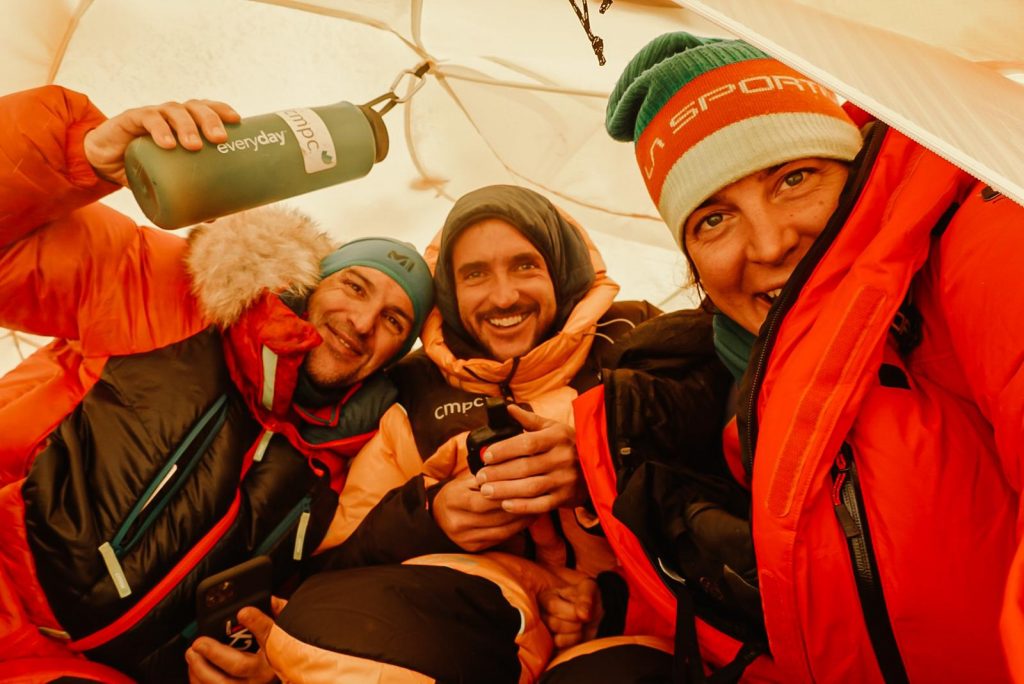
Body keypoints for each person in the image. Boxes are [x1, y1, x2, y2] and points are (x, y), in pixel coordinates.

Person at [594, 31, 1024, 682]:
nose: (769, 243)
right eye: (713, 219)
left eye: (793, 179)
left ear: (856, 169)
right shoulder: (753, 402)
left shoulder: (980, 245)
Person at [186, 184, 733, 682]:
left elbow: (732, 470)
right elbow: (334, 567)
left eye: (525, 265)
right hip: (488, 635)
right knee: (330, 620)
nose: (503, 297)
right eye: (474, 274)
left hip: (662, 633)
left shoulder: (636, 339)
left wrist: (595, 467)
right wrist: (430, 517)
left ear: (562, 270)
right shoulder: (414, 395)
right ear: (449, 292)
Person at [0, 85, 433, 682]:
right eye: (354, 287)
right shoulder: (174, 293)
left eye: (393, 321)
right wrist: (80, 156)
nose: (361, 323)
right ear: (311, 283)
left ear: (393, 358)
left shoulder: (348, 467)